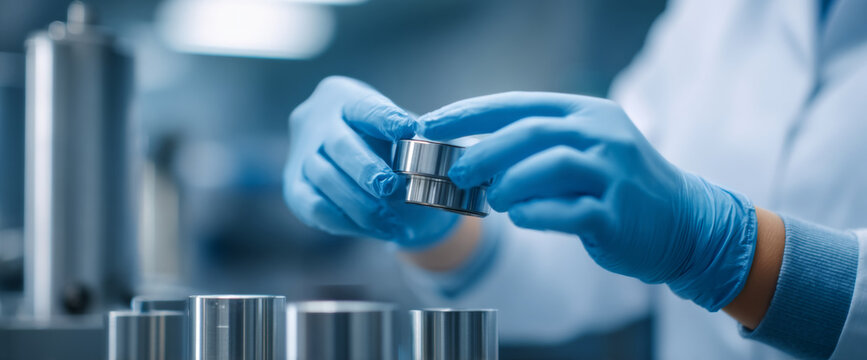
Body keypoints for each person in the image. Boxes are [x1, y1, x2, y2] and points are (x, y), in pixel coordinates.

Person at [283, 0, 867, 358]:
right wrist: (439, 228)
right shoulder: (710, 14)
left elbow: (674, 238)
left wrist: (718, 249)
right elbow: (586, 266)